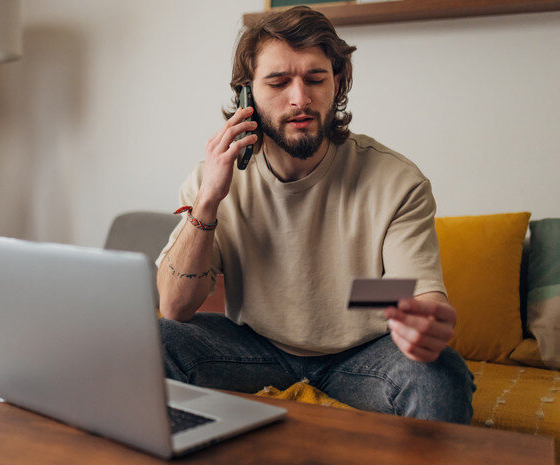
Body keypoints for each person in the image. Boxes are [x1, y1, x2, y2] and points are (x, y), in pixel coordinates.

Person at [155, 6, 475, 423]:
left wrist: (424, 321)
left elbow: (415, 294)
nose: (300, 99)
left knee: (440, 373)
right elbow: (175, 307)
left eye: (315, 79)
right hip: (255, 349)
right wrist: (208, 202)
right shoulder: (213, 180)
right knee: (154, 341)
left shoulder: (397, 181)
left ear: (337, 83)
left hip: (364, 358)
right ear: (245, 95)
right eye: (278, 81)